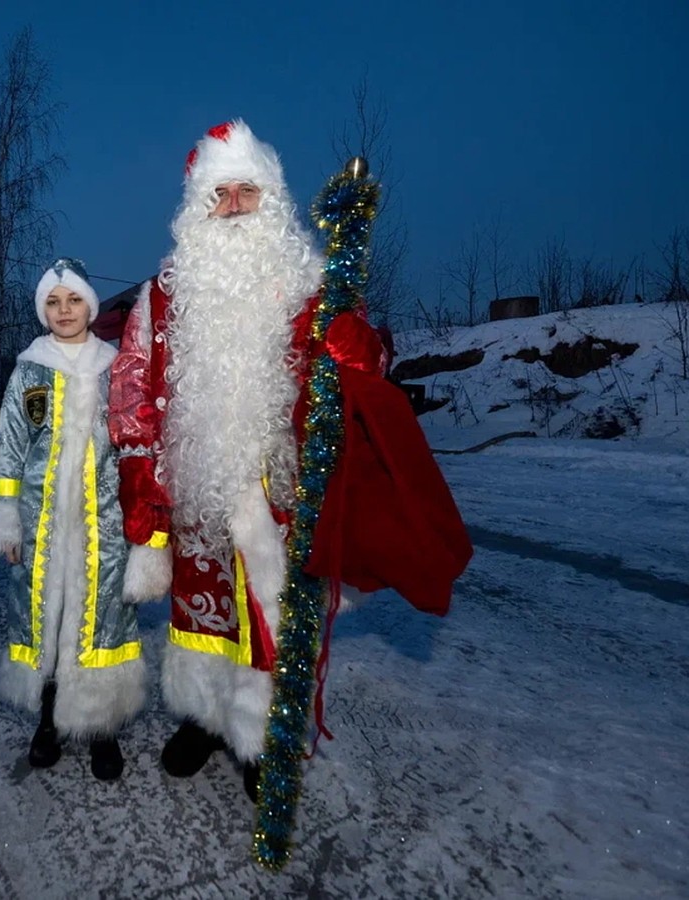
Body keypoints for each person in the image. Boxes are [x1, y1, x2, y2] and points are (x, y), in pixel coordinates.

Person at [108, 120, 470, 801]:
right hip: (195, 490)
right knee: (200, 614)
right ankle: (205, 719)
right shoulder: (162, 298)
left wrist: (355, 345)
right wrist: (144, 488)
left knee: (273, 621)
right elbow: (131, 392)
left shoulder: (312, 289)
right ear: (197, 208)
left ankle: (263, 737)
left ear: (272, 200)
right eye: (222, 194)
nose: (236, 205)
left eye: (249, 191)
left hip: (282, 493)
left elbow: (365, 367)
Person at [0, 258, 145, 781]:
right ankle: (48, 720)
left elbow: (133, 446)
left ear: (90, 306)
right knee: (45, 617)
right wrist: (7, 518)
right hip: (43, 525)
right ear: (42, 310)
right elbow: (10, 450)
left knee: (100, 620)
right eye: (53, 303)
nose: (64, 311)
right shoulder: (29, 370)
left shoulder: (114, 368)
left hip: (103, 526)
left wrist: (142, 521)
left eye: (73, 300)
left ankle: (102, 727)